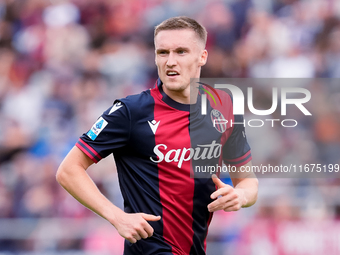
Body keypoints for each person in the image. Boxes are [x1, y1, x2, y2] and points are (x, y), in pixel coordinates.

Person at [56, 16, 258, 255]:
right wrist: (117, 217)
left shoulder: (223, 106)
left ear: (202, 57)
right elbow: (68, 170)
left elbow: (248, 181)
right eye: (163, 53)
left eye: (181, 52)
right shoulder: (131, 112)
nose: (170, 61)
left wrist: (240, 195)